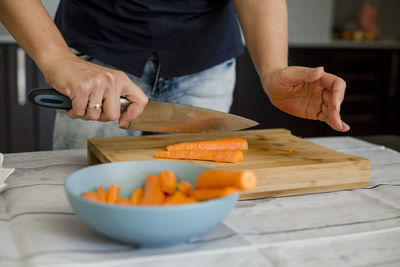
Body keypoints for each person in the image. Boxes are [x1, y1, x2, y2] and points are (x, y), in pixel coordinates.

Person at [0, 0, 350, 149]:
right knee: (87, 191)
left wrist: (273, 68)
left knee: (198, 192)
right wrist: (59, 59)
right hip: (96, 64)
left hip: (206, 60)